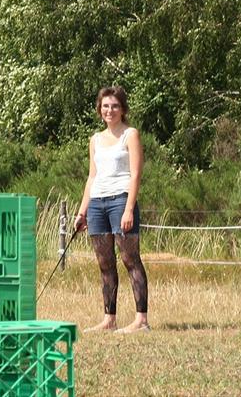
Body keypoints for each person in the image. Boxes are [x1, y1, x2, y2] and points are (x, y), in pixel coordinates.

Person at [74, 85, 150, 333]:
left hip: (120, 200)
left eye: (115, 105)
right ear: (100, 109)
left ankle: (141, 320)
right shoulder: (94, 140)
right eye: (105, 106)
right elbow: (91, 177)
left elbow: (136, 173)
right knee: (104, 262)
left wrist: (129, 208)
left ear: (123, 109)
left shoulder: (131, 134)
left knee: (130, 258)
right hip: (97, 203)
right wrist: (82, 211)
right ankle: (109, 319)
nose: (110, 110)